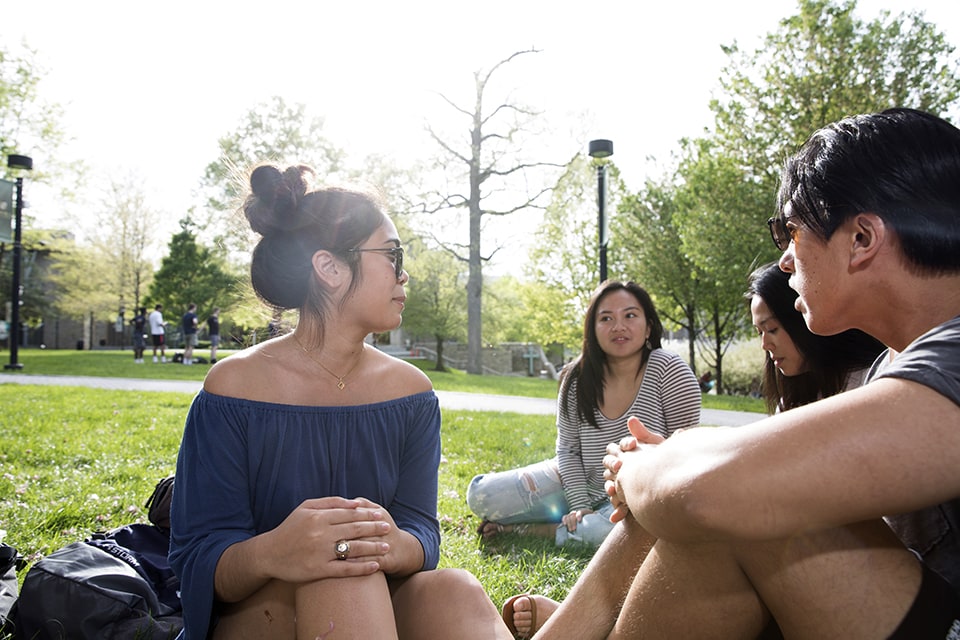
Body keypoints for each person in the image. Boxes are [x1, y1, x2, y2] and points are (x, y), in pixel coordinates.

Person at [506, 108, 960, 638]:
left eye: (790, 230)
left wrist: (643, 471)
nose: (786, 260)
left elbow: (710, 491)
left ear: (862, 239)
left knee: (743, 504)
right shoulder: (895, 364)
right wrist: (672, 467)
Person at [169, 164, 512, 640]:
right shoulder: (234, 387)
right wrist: (278, 551)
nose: (404, 272)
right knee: (339, 573)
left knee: (454, 589)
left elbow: (422, 530)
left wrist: (396, 545)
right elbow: (198, 558)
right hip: (257, 618)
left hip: (375, 608)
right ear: (330, 267)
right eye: (392, 254)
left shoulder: (411, 393)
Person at [466, 280, 700, 549]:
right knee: (482, 495)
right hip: (575, 482)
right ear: (593, 329)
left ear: (648, 327)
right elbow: (567, 450)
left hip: (637, 494)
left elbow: (686, 454)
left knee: (608, 535)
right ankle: (572, 520)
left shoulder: (670, 371)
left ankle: (526, 528)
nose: (618, 326)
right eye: (606, 318)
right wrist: (580, 505)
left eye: (630, 315)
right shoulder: (575, 377)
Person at [746, 261, 884, 414]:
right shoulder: (790, 404)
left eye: (771, 329)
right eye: (760, 332)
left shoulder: (872, 384)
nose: (765, 345)